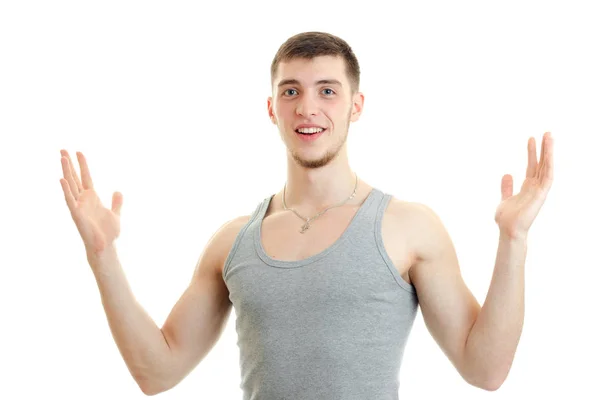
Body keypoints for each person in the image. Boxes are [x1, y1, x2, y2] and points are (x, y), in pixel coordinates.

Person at [59, 31, 554, 399]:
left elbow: (485, 371)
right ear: (272, 108)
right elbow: (157, 372)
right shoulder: (231, 241)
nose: (307, 108)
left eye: (327, 90)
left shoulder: (408, 226)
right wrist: (102, 255)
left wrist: (514, 241)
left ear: (355, 106)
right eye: (291, 91)